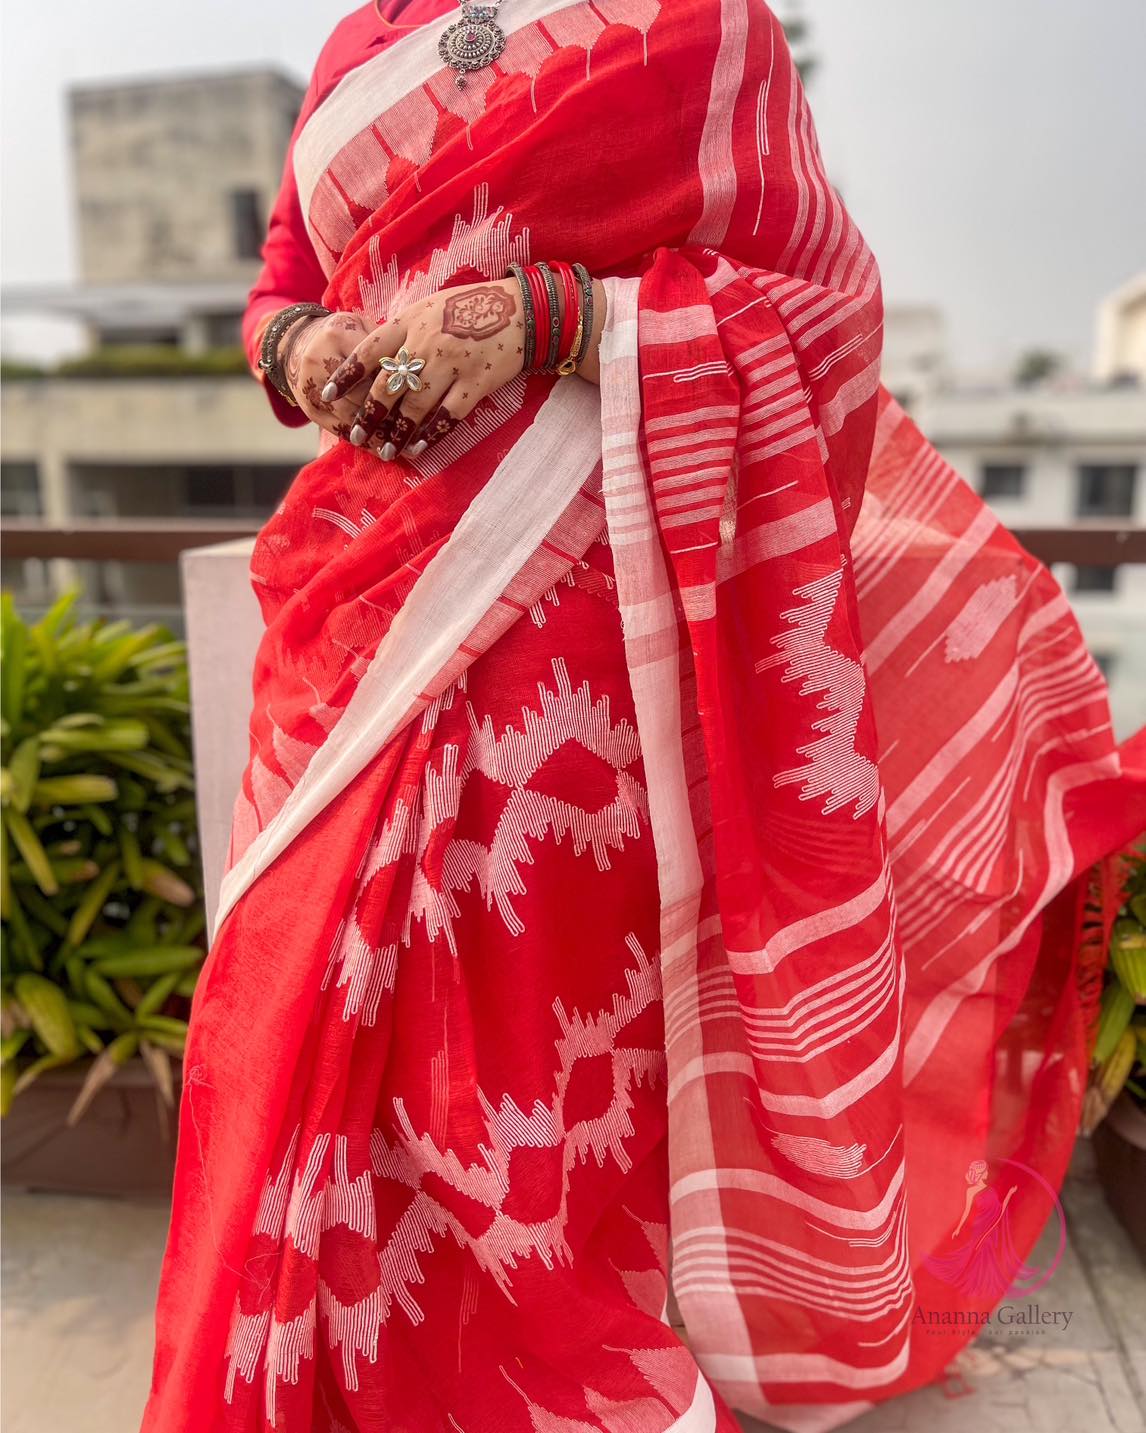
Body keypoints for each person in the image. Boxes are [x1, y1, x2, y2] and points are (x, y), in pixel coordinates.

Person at [143, 2, 1145, 1429]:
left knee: (518, 1046)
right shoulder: (364, 42)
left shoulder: (698, 26)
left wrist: (546, 320)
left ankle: (530, 1373)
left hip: (574, 609)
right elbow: (282, 287)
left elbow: (821, 307)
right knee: (288, 1003)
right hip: (346, 602)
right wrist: (302, 351)